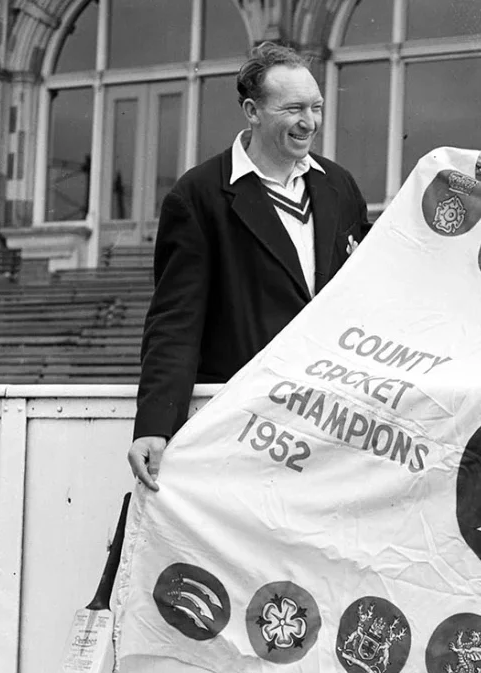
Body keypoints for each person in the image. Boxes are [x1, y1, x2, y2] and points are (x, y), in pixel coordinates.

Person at [127, 42, 370, 489]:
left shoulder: (339, 185)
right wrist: (154, 424)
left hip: (333, 427)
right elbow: (175, 322)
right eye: (294, 108)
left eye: (316, 107)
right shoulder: (198, 195)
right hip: (248, 430)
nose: (310, 122)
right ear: (252, 111)